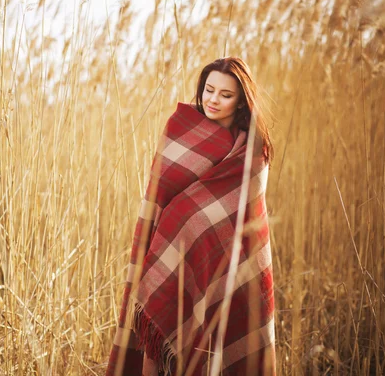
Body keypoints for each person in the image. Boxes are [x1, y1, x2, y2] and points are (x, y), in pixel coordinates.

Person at [107, 57, 276, 375]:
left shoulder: (252, 150)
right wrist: (180, 222)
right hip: (167, 254)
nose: (213, 99)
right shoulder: (179, 128)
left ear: (241, 100)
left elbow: (244, 214)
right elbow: (158, 196)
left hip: (222, 261)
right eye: (209, 90)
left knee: (217, 343)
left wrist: (191, 220)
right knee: (161, 345)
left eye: (225, 95)